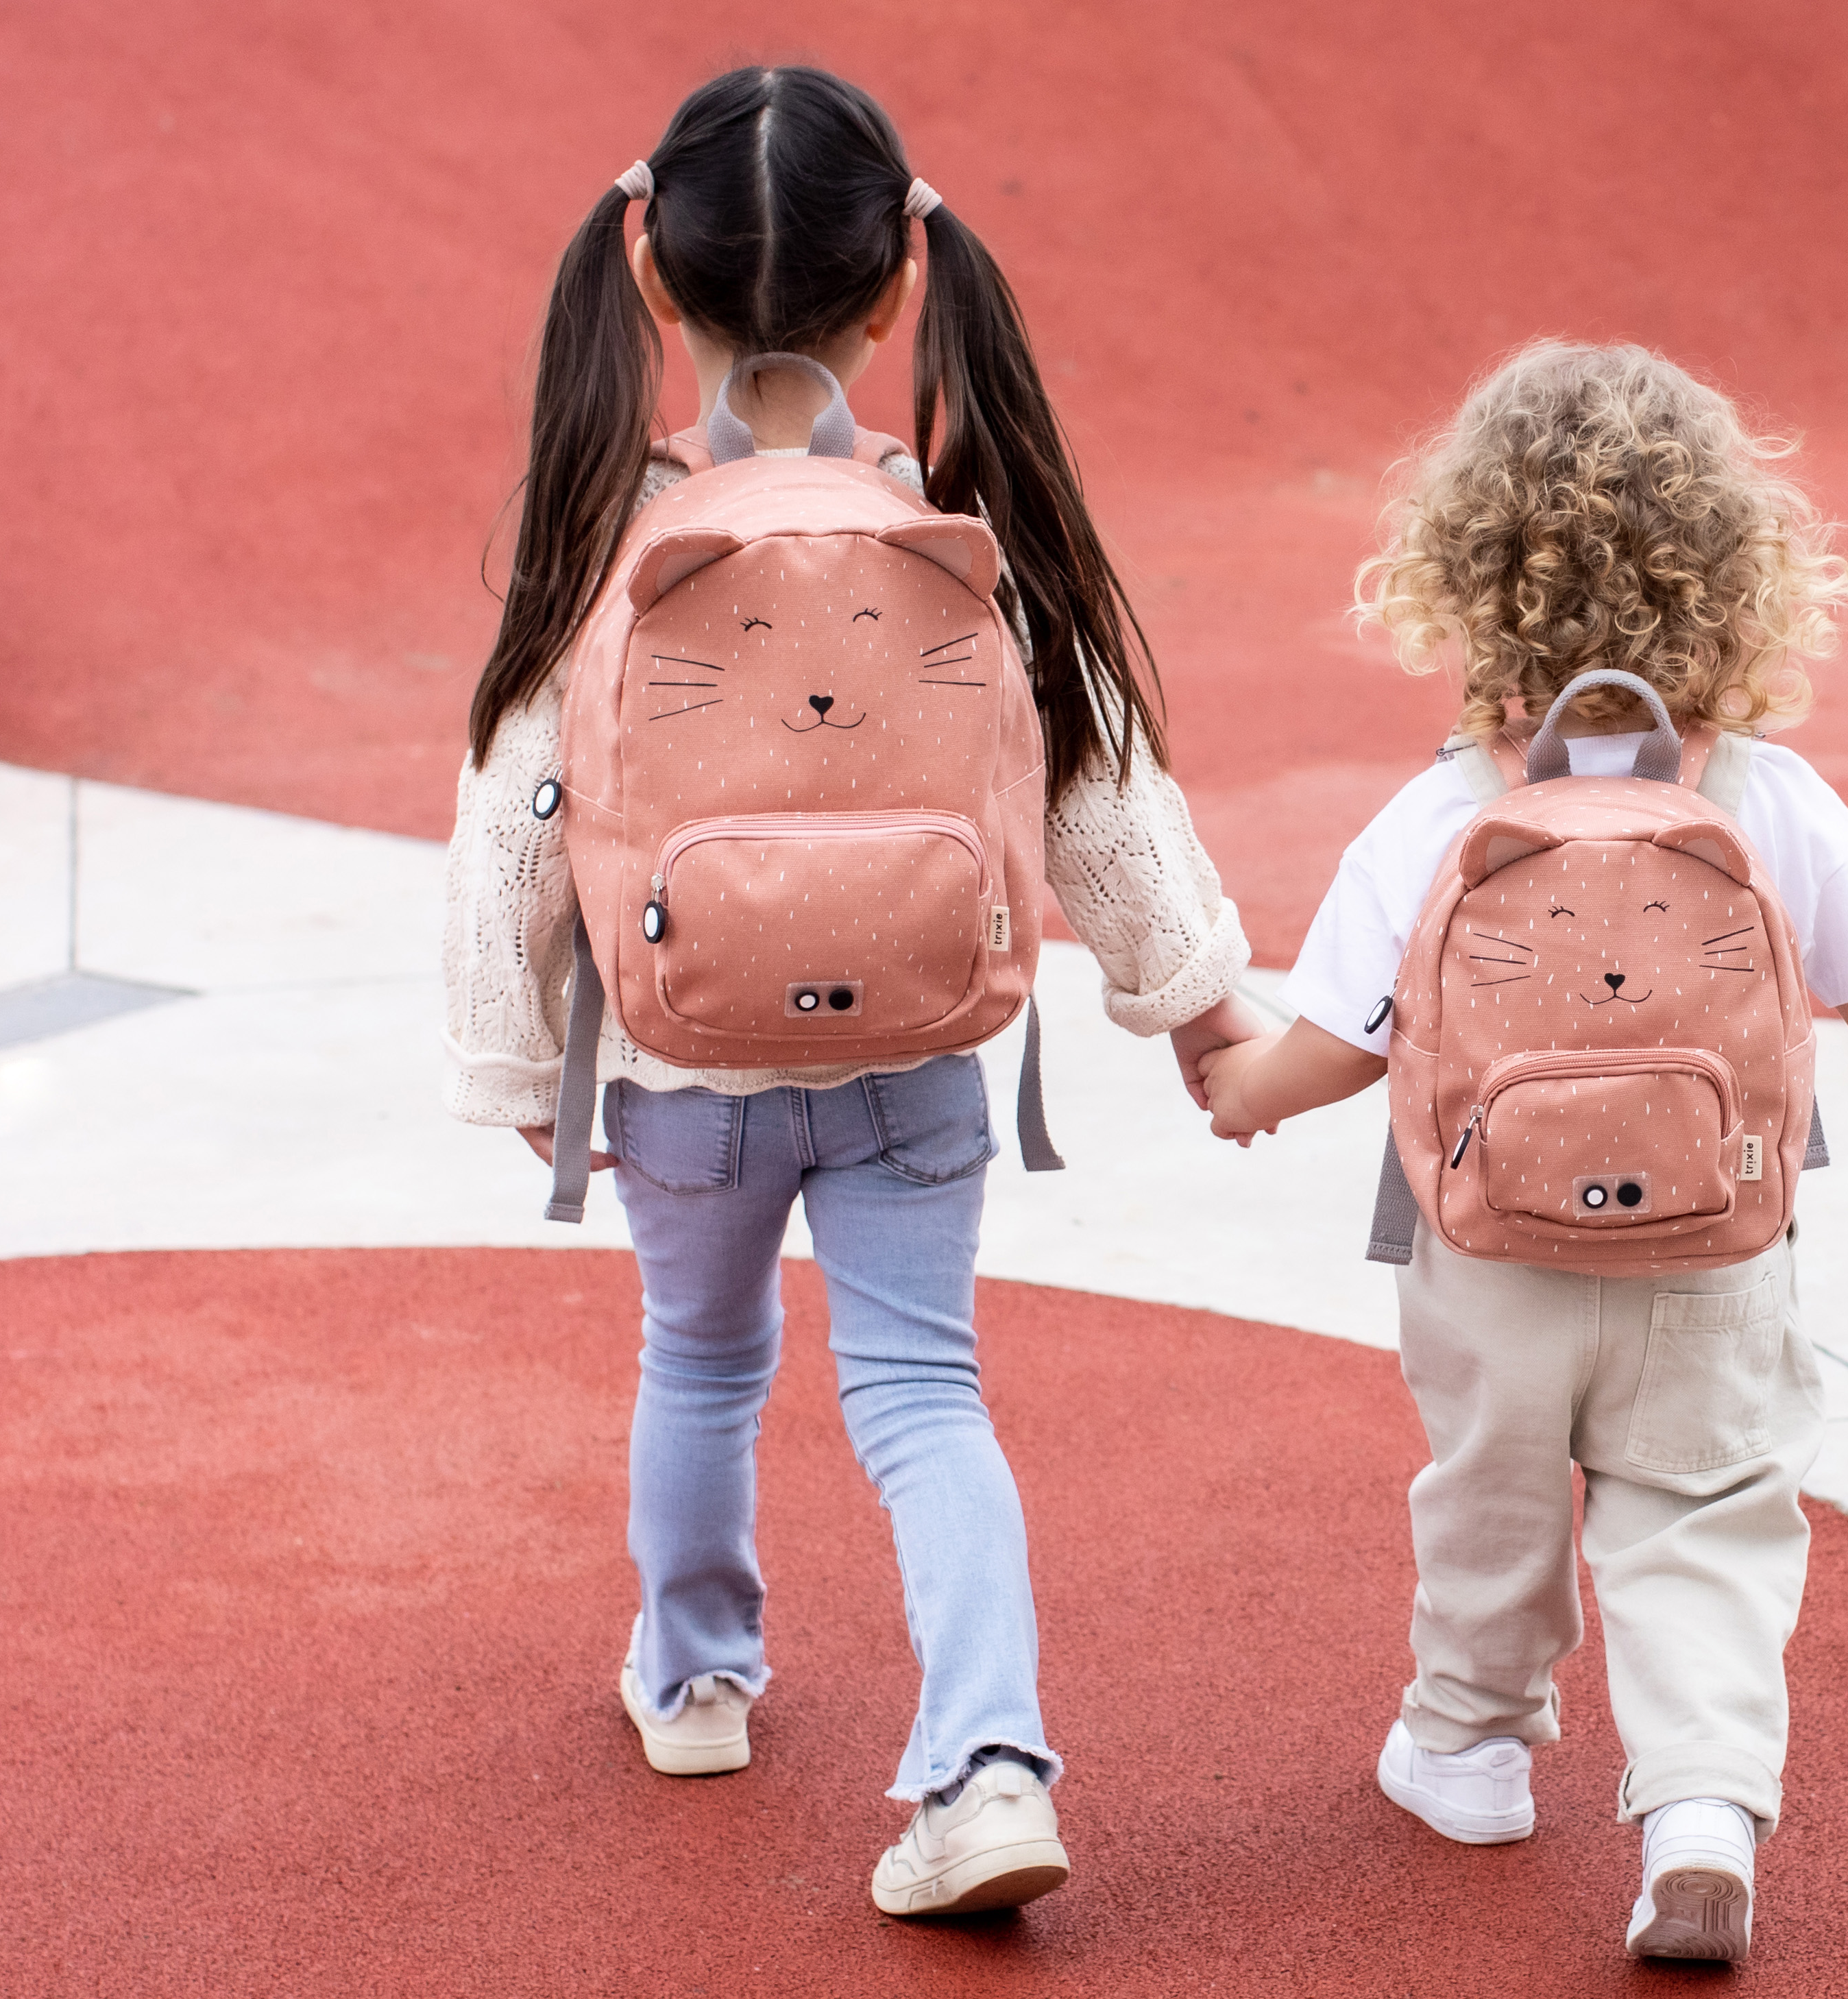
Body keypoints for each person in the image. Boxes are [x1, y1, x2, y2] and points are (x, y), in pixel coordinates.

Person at [437, 63, 1256, 1919]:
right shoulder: (945, 526)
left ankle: (700, 1670)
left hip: (674, 1060)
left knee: (703, 1362)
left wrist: (511, 1058)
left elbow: (515, 803)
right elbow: (1094, 777)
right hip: (914, 1057)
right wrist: (1196, 997)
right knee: (924, 1388)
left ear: (651, 278)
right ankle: (982, 1756)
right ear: (903, 283)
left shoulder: (607, 533)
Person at [1192, 341, 1848, 1964]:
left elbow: (1343, 1041)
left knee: (1488, 1491)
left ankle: (1469, 1749)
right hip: (1716, 1242)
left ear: (1462, 579)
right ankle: (1698, 1806)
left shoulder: (1439, 815)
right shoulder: (1769, 796)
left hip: (1487, 1253)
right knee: (1701, 1508)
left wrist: (1241, 1091)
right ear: (1737, 580)